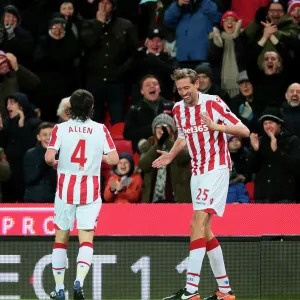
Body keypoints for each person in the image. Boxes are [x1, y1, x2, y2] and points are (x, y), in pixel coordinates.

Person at [152, 68, 249, 300]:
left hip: (216, 168)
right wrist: (170, 155)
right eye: (179, 89)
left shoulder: (213, 103)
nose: (184, 92)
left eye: (187, 87)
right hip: (198, 171)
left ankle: (191, 290)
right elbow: (183, 136)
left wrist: (218, 128)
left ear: (197, 83)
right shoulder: (177, 109)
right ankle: (225, 291)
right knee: (204, 230)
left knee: (196, 223)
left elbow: (244, 130)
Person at [45, 89, 119, 300]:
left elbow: (49, 158)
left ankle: (59, 289)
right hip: (90, 193)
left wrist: (59, 163)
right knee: (86, 239)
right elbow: (114, 159)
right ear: (91, 108)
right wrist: (97, 157)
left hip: (65, 192)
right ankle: (79, 282)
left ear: (70, 108)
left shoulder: (60, 128)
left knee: (61, 239)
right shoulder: (100, 129)